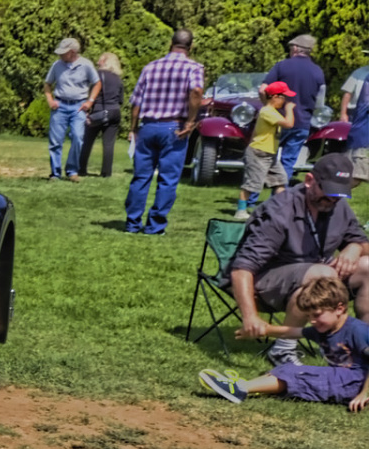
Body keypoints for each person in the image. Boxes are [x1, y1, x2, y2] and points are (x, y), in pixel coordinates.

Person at [231, 154, 368, 365]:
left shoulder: (338, 206)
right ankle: (283, 348)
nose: (332, 199)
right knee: (322, 274)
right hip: (267, 281)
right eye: (328, 191)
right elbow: (242, 268)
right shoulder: (280, 211)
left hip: (318, 275)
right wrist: (250, 316)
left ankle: (361, 345)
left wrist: (354, 247)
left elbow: (363, 244)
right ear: (309, 180)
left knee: (367, 267)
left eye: (338, 194)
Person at [200, 275, 369, 411]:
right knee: (286, 368)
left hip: (356, 382)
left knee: (300, 375)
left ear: (339, 309)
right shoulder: (324, 328)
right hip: (342, 378)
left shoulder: (357, 330)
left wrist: (364, 393)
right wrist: (265, 330)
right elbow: (292, 331)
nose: (312, 321)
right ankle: (249, 386)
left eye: (316, 315)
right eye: (309, 316)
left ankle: (240, 388)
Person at [125, 30, 205, 235]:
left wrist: (133, 128)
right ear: (191, 46)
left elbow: (136, 102)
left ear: (171, 43)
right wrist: (191, 120)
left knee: (141, 176)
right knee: (168, 179)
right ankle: (155, 225)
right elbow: (196, 91)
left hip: (149, 125)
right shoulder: (194, 67)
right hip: (174, 126)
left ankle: (132, 223)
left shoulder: (150, 67)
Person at [262, 34, 326, 181]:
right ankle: (281, 196)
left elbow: (263, 89)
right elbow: (320, 102)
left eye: (291, 48)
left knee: (265, 157)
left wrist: (267, 107)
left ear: (296, 48)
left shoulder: (282, 65)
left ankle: (251, 197)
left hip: (278, 119)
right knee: (288, 161)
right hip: (302, 122)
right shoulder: (318, 71)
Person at [236, 80, 295, 218]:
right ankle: (241, 211)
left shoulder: (273, 112)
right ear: (275, 97)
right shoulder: (267, 111)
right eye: (283, 97)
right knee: (252, 183)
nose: (285, 100)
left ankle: (281, 209)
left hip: (270, 154)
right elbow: (289, 124)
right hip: (259, 153)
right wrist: (289, 110)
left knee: (280, 180)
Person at [44, 37, 99, 180]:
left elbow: (97, 83)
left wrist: (90, 101)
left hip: (78, 106)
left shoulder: (86, 65)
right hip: (60, 105)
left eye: (64, 52)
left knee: (78, 137)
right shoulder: (57, 65)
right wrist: (50, 100)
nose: (60, 55)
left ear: (73, 52)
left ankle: (72, 170)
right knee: (55, 141)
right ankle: (55, 173)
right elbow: (47, 84)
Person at [78, 51, 123, 177]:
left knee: (87, 140)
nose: (97, 62)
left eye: (100, 60)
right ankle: (106, 172)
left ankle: (81, 169)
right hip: (114, 111)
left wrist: (87, 110)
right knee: (109, 143)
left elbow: (91, 94)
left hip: (99, 111)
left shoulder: (96, 75)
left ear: (105, 62)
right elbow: (120, 99)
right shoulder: (118, 79)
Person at [340, 66, 369, 191]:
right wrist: (343, 113)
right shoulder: (359, 73)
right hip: (357, 116)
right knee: (354, 167)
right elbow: (348, 93)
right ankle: (335, 190)